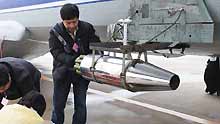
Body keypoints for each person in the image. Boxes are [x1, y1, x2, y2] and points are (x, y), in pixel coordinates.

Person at [48, 3, 101, 124]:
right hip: (62, 73)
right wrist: (72, 60)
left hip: (81, 73)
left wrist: (94, 59)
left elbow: (96, 46)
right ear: (62, 21)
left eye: (74, 22)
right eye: (68, 23)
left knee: (81, 105)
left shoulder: (87, 28)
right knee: (58, 105)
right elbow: (55, 52)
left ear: (78, 18)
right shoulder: (55, 32)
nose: (72, 25)